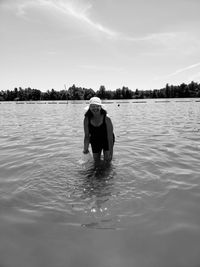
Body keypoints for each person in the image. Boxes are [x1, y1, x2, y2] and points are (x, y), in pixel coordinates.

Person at [83, 97, 114, 162]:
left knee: (108, 161)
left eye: (97, 106)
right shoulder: (86, 119)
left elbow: (110, 137)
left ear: (100, 107)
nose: (95, 108)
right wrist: (85, 149)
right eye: (92, 106)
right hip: (95, 140)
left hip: (107, 140)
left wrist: (111, 152)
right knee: (96, 162)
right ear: (89, 107)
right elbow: (86, 136)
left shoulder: (106, 118)